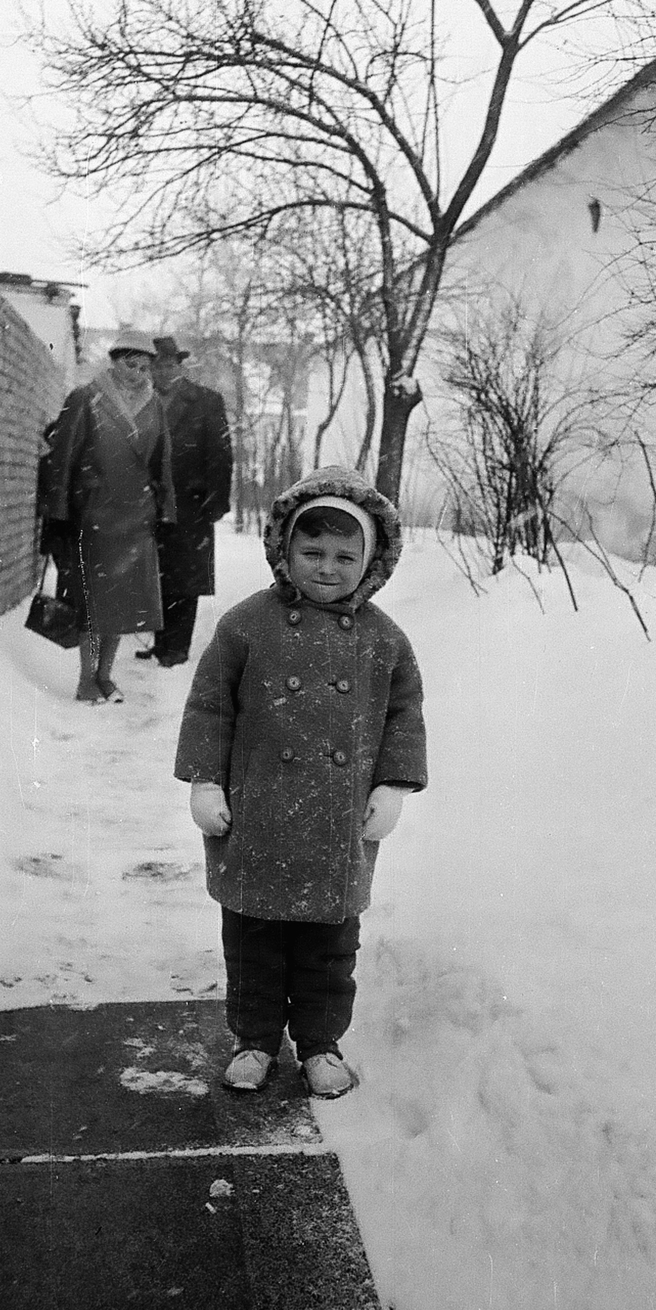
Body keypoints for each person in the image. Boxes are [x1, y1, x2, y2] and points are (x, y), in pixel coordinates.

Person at [173, 466, 427, 1099]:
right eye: (312, 551)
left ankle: (320, 1044)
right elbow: (210, 708)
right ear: (283, 549)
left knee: (327, 946)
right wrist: (205, 783)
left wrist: (392, 786)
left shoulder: (383, 639)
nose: (327, 567)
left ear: (372, 561)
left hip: (338, 824)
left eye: (346, 555)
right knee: (254, 939)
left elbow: (404, 715)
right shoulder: (246, 625)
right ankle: (255, 1040)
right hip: (257, 814)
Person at [41, 329, 176, 704]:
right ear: (114, 362)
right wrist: (60, 512)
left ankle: (105, 676)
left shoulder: (154, 406)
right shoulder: (86, 398)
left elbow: (162, 461)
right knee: (94, 601)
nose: (139, 374)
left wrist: (165, 510)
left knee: (123, 603)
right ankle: (86, 681)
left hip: (136, 517)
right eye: (131, 365)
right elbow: (62, 457)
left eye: (146, 367)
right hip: (94, 514)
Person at [135, 334, 233, 667]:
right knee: (156, 573)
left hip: (191, 502)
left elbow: (220, 453)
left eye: (168, 364)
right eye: (156, 366)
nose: (162, 371)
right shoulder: (140, 400)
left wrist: (216, 501)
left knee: (184, 577)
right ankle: (160, 642)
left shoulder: (205, 401)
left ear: (179, 365)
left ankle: (177, 648)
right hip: (149, 502)